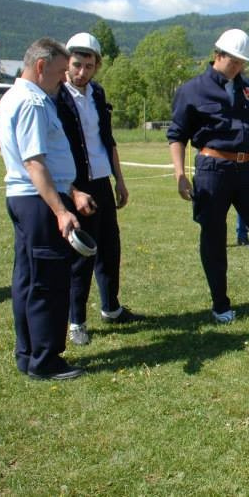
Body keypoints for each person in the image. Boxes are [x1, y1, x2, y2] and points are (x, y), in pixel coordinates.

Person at [167, 29, 249, 323]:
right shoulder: (192, 90)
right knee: (213, 237)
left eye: (242, 62)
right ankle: (220, 304)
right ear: (217, 55)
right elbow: (177, 135)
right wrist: (180, 174)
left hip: (248, 169)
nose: (238, 67)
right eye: (233, 61)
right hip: (212, 169)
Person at [0, 38, 94, 380]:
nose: (63, 79)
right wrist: (60, 210)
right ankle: (45, 360)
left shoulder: (16, 97)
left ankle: (28, 353)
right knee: (49, 282)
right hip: (38, 201)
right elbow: (34, 162)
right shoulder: (33, 102)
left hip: (27, 198)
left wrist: (72, 192)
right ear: (41, 66)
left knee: (28, 278)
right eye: (59, 71)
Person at [56, 32, 141, 346]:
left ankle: (111, 308)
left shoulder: (98, 93)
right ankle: (76, 321)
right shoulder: (56, 96)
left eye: (89, 66)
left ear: (97, 66)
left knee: (110, 248)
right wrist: (72, 190)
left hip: (102, 181)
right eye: (77, 65)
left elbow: (108, 141)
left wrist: (120, 180)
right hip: (76, 186)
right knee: (82, 254)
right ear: (67, 63)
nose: (82, 72)